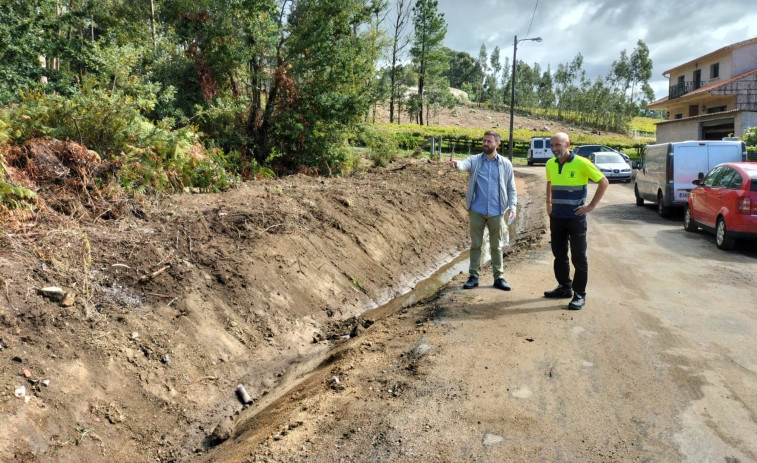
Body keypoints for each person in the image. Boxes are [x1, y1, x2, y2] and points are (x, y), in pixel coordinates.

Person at [544, 131, 609, 310]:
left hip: (576, 218)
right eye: (552, 145)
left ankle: (579, 294)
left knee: (578, 256)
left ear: (568, 144)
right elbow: (550, 183)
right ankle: (565, 287)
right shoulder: (550, 163)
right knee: (559, 254)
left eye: (558, 145)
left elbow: (603, 181)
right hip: (557, 217)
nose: (554, 149)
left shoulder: (582, 163)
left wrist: (591, 206)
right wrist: (548, 203)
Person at [449, 130, 517, 291]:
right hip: (477, 210)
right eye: (484, 141)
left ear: (497, 144)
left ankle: (498, 277)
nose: (485, 144)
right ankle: (473, 276)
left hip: (497, 211)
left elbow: (511, 188)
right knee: (476, 245)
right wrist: (456, 164)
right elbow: (463, 165)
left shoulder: (505, 164)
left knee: (496, 245)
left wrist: (512, 206)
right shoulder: (475, 160)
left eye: (489, 141)